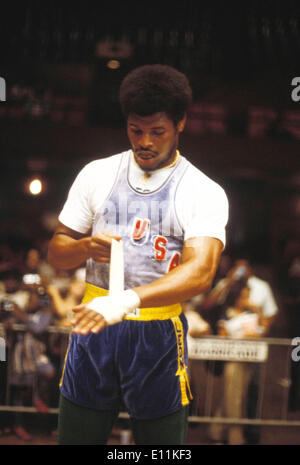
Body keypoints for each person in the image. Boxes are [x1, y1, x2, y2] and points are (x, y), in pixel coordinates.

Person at [47, 64, 229, 445]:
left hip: (157, 330)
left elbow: (201, 272)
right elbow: (56, 253)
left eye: (157, 131)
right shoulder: (97, 174)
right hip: (94, 324)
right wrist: (82, 248)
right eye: (135, 130)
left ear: (180, 123)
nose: (144, 141)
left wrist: (126, 300)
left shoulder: (202, 190)